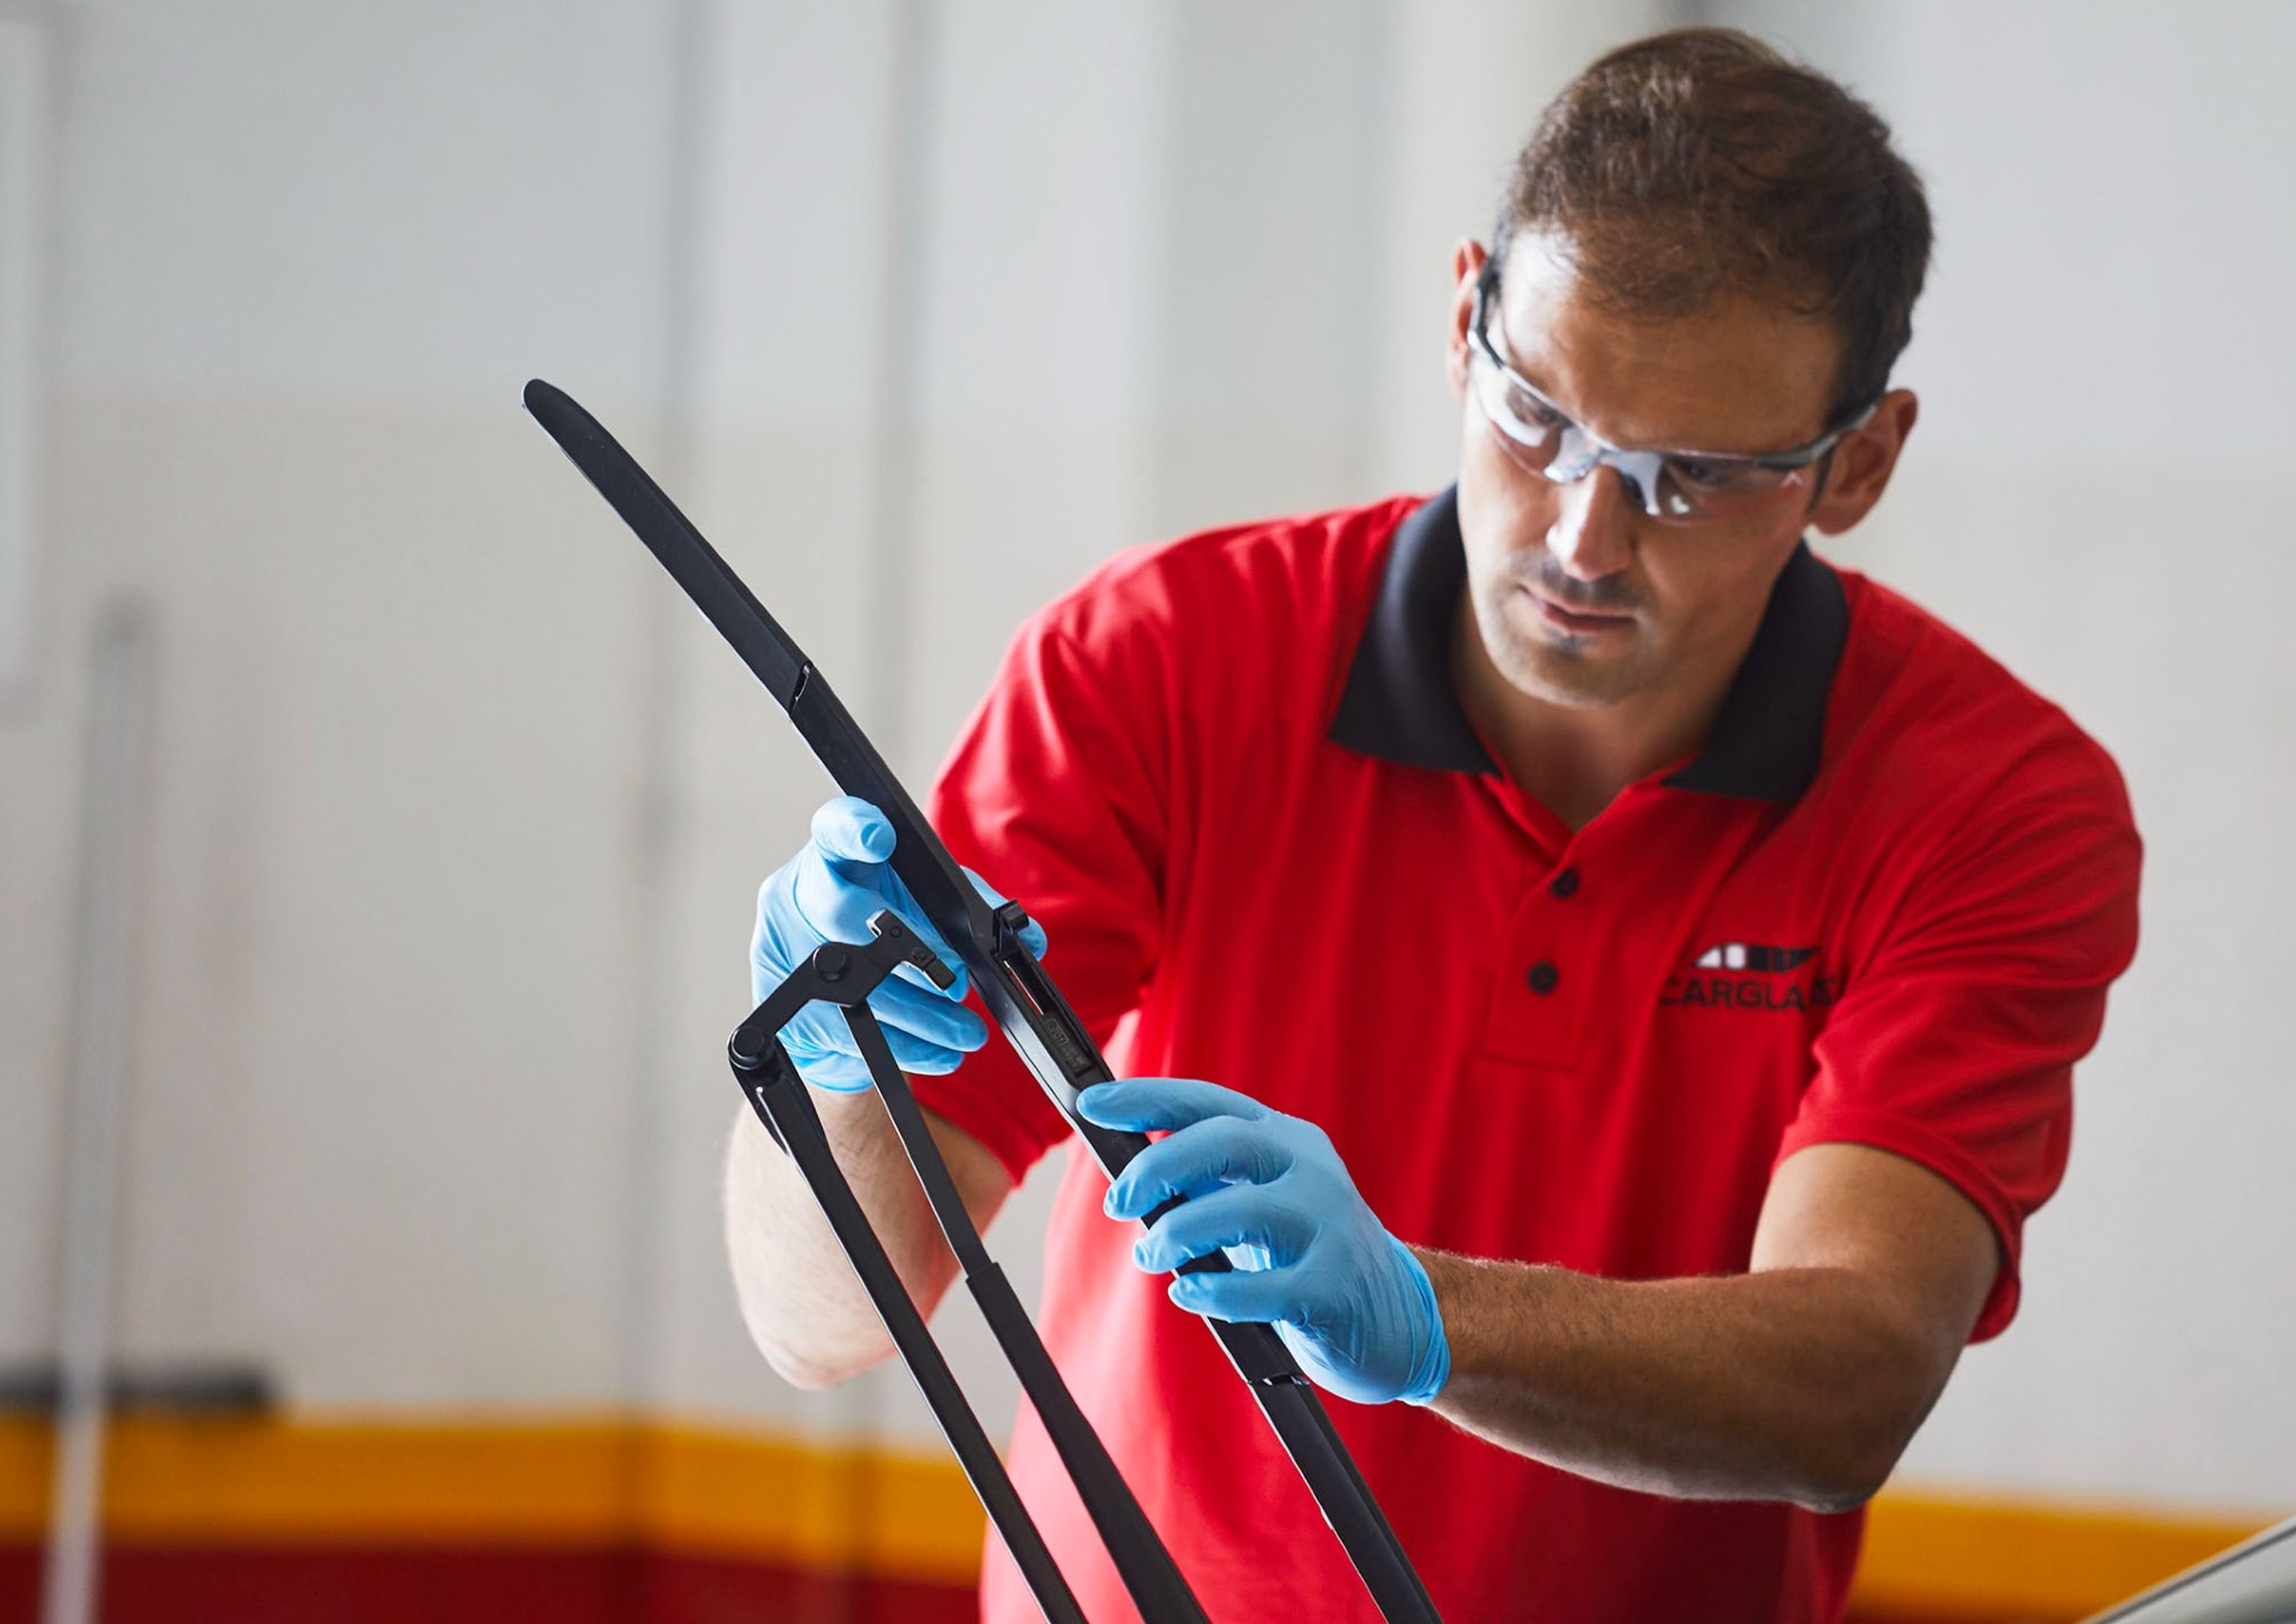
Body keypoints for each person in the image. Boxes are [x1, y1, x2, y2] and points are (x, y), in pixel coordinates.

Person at [724, 27, 2140, 1624]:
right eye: (1539, 419)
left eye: (1694, 480)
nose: (1583, 537)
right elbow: (824, 1322)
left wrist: (1420, 1315)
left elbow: (1853, 1383)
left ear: (1858, 463)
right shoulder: (1162, 665)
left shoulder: (1991, 803)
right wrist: (841, 1065)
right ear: (1465, 318)